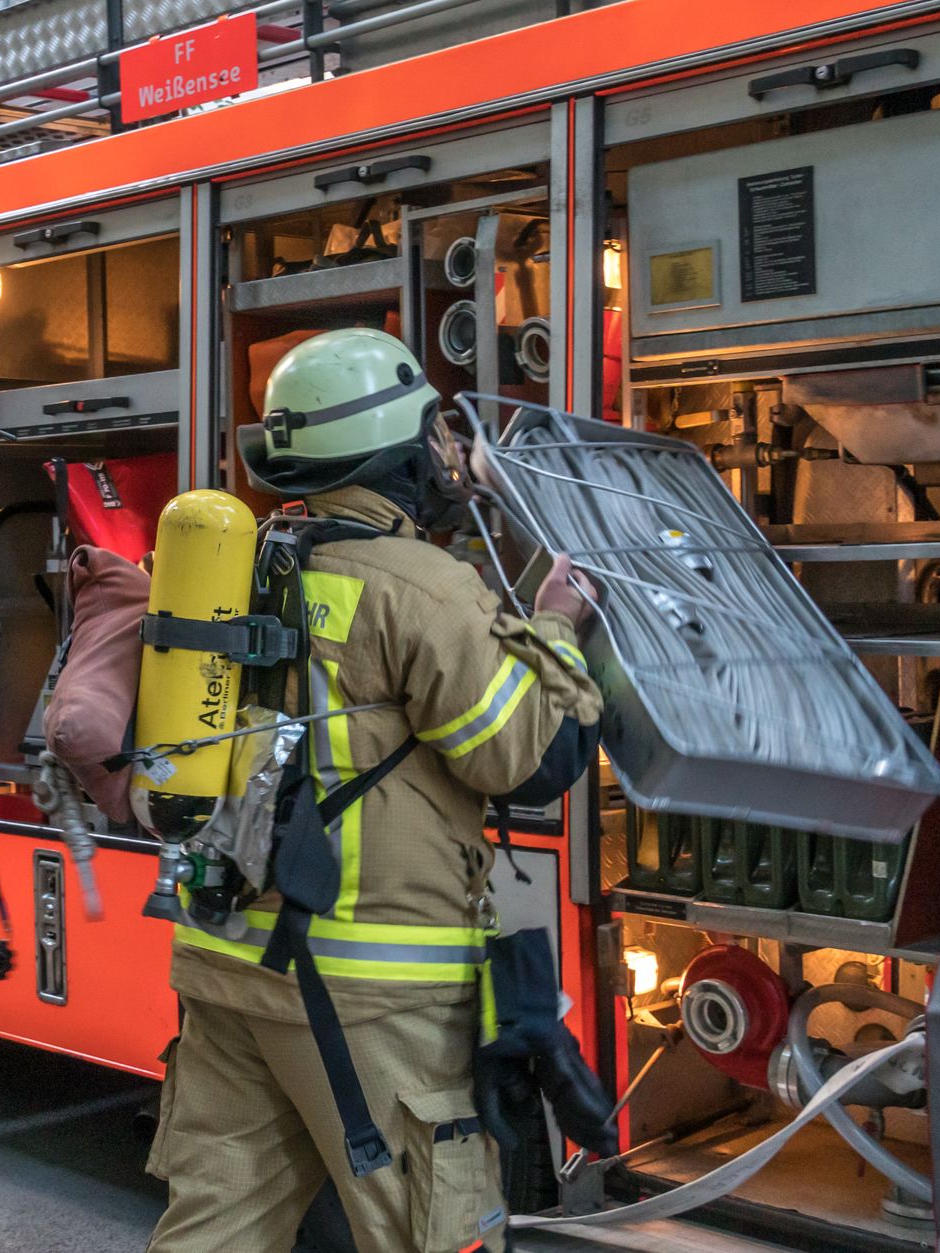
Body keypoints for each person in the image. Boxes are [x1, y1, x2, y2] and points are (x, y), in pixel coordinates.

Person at [144, 327, 615, 1253]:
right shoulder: (423, 588)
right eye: (433, 437)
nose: (447, 457)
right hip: (373, 991)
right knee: (435, 1232)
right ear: (394, 451)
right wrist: (558, 624)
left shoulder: (244, 567)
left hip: (228, 962)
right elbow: (530, 758)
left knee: (215, 1229)